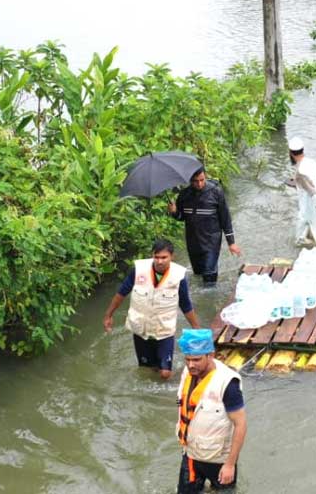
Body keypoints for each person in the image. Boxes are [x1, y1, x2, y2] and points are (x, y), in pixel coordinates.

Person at [103, 239, 200, 380]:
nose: (160, 261)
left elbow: (185, 304)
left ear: (172, 257)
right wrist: (108, 315)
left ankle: (167, 386)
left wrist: (196, 328)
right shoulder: (139, 270)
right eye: (157, 257)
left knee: (165, 373)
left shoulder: (179, 276)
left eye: (164, 257)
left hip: (164, 329)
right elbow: (121, 293)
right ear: (152, 255)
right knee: (147, 369)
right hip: (141, 328)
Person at [176, 329, 246, 493]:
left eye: (196, 360)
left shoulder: (228, 383)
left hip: (218, 460)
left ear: (211, 355)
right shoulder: (188, 371)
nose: (191, 364)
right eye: (187, 359)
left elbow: (241, 424)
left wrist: (229, 465)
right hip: (191, 454)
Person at [168, 166, 241, 283]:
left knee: (209, 277)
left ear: (205, 176)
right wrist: (174, 212)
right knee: (198, 274)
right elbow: (182, 218)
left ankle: (212, 299)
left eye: (202, 180)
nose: (200, 184)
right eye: (196, 181)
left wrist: (231, 243)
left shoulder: (216, 192)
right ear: (190, 180)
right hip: (193, 241)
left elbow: (225, 219)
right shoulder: (184, 195)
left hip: (211, 241)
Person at [288, 136, 316, 247]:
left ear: (291, 153)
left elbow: (311, 190)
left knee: (301, 232)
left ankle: (303, 246)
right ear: (303, 150)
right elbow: (315, 180)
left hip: (309, 202)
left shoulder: (300, 172)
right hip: (314, 201)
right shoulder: (311, 162)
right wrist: (298, 181)